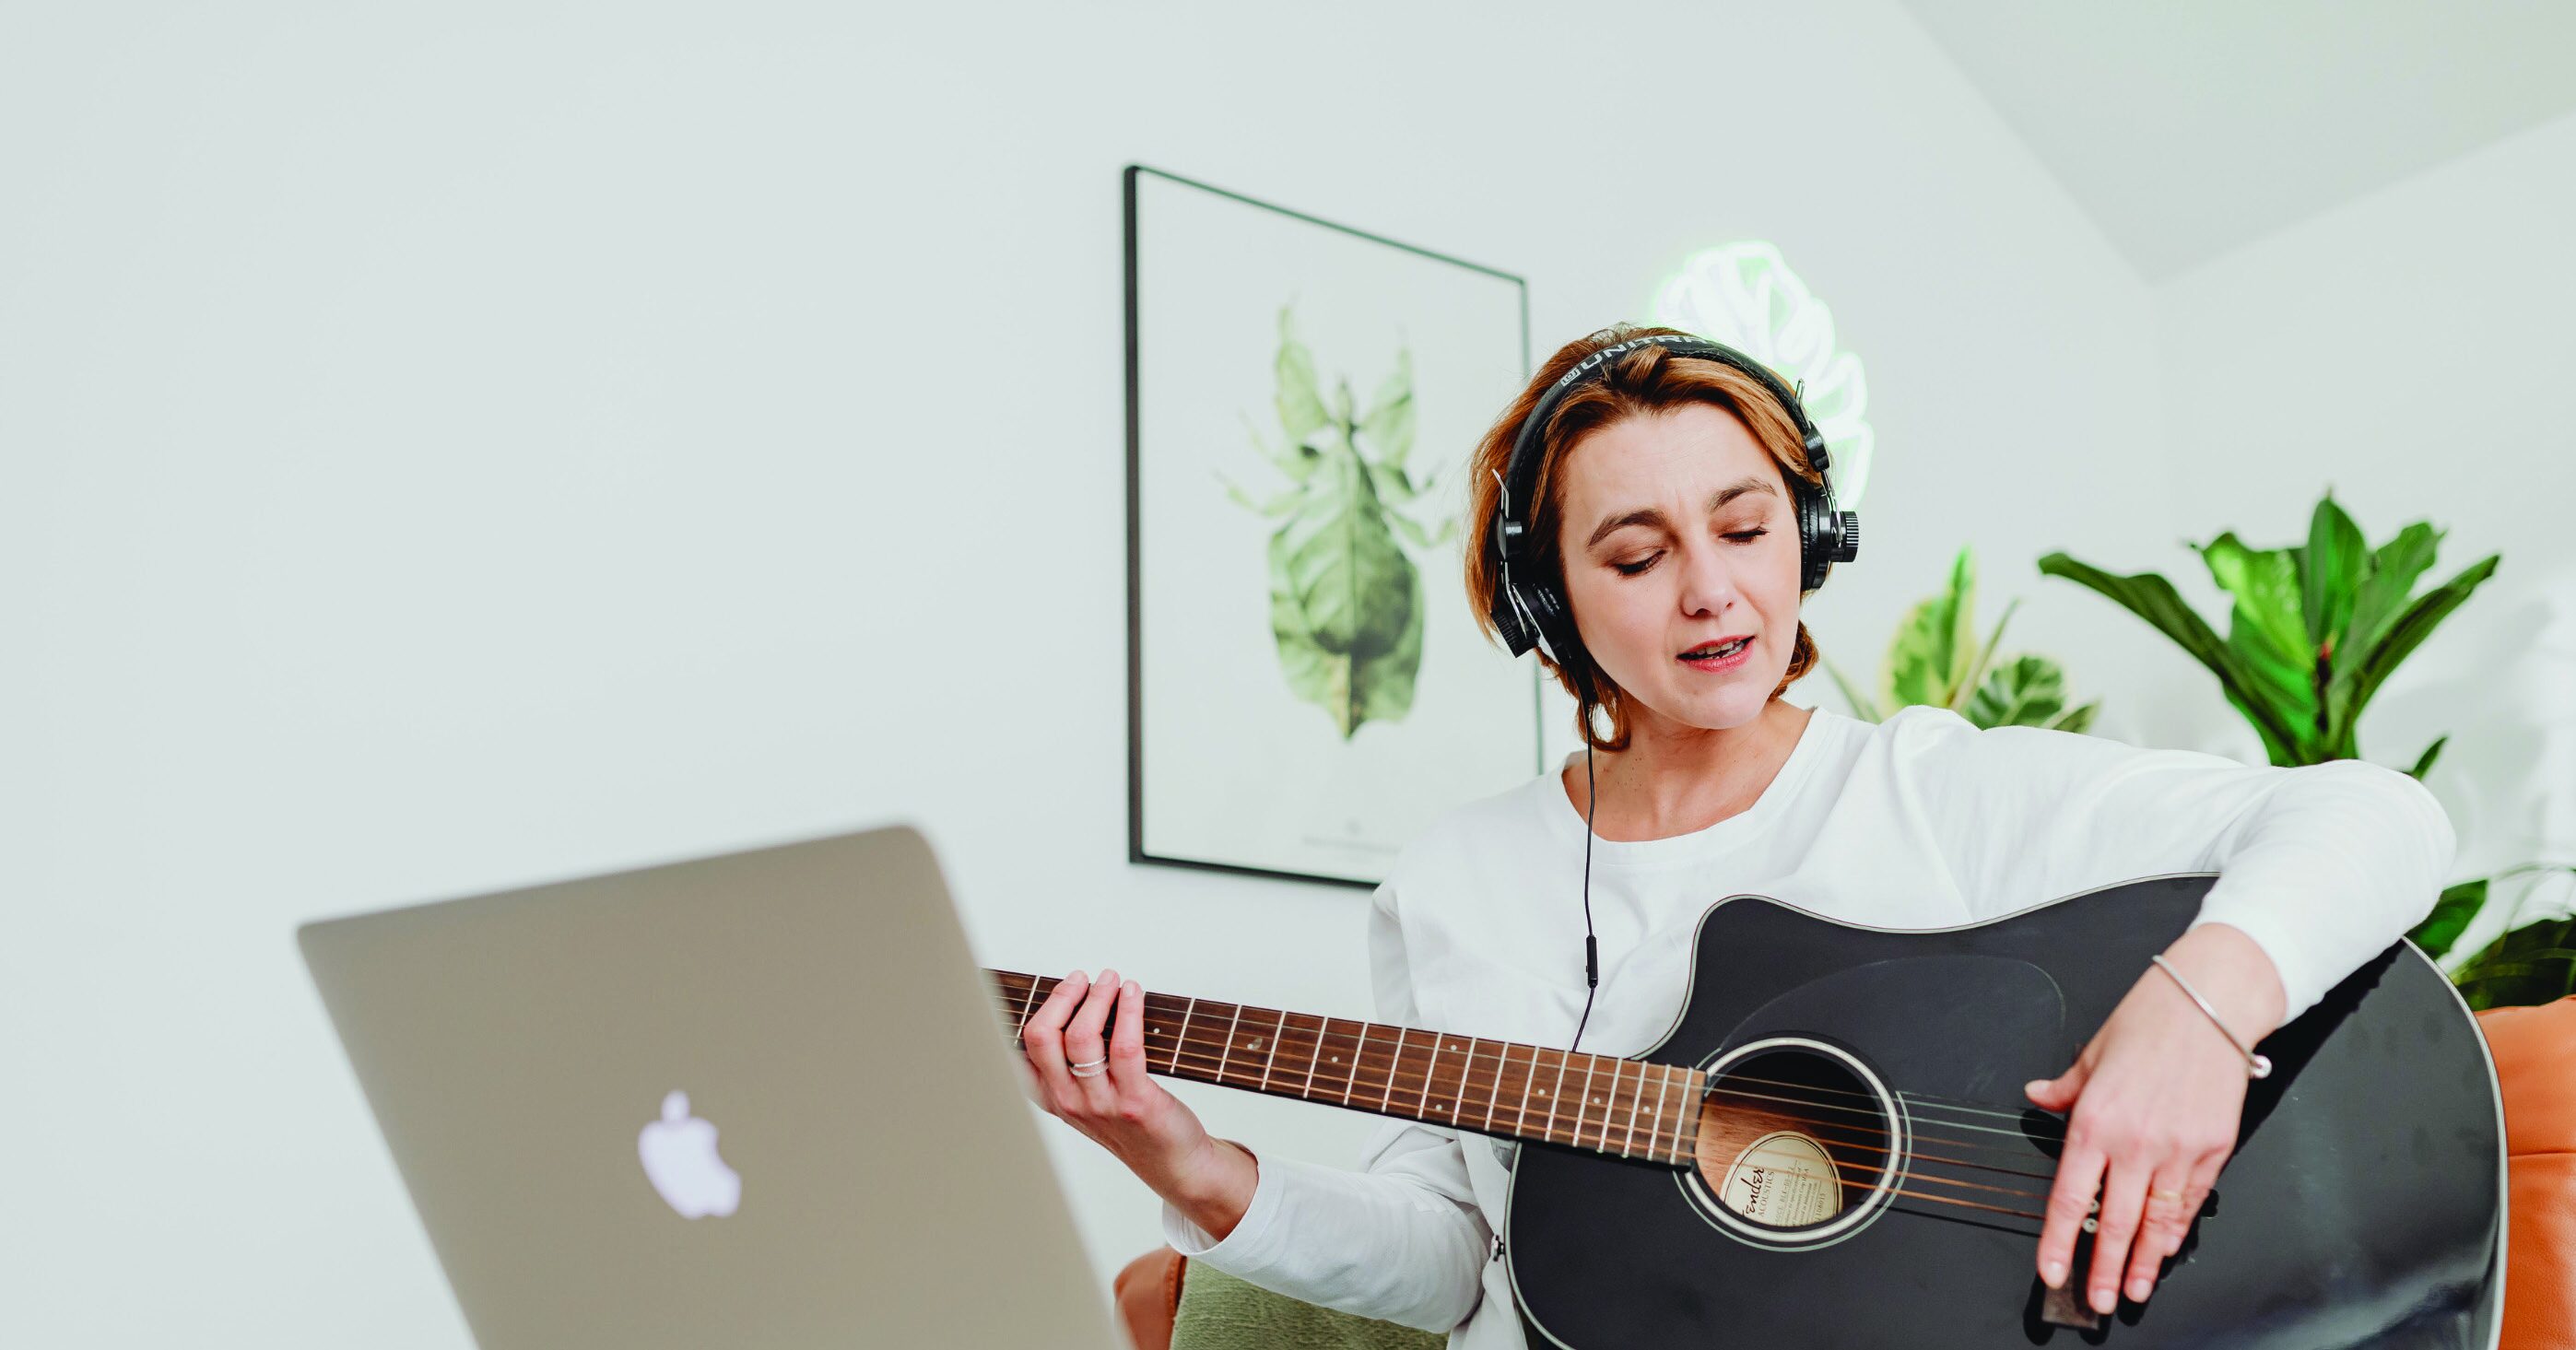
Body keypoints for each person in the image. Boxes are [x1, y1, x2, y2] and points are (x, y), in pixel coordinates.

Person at [1015, 324, 2453, 1349]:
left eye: (1747, 527)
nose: (1711, 590)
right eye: (1636, 555)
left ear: (1810, 536)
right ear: (1548, 606)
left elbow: (2380, 814)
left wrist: (2199, 1013)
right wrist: (1190, 1164)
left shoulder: (1930, 788)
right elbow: (1454, 1255)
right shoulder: (1454, 884)